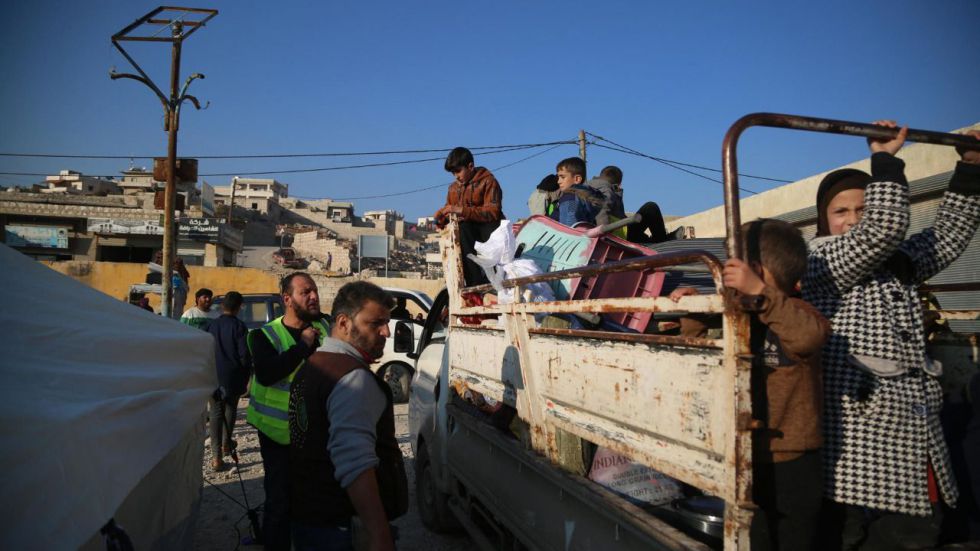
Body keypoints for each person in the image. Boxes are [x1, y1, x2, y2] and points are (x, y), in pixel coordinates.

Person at [802, 123, 980, 550]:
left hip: (912, 418)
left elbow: (948, 237)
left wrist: (970, 169)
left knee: (915, 528)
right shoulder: (822, 259)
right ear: (823, 221)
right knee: (852, 528)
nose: (853, 220)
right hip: (860, 428)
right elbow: (882, 230)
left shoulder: (894, 261)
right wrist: (885, 161)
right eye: (840, 212)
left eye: (862, 208)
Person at [671, 219, 829, 550]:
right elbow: (697, 355)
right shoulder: (742, 316)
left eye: (734, 268)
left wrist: (761, 293)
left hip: (792, 461)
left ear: (756, 271)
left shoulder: (796, 312)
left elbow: (808, 339)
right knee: (753, 538)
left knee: (793, 539)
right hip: (744, 454)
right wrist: (697, 310)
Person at [288, 282, 408, 551]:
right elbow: (355, 465)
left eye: (386, 323)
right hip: (341, 528)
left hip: (310, 519)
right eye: (375, 323)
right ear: (343, 323)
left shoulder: (312, 366)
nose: (386, 332)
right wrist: (379, 535)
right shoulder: (352, 378)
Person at [247, 272, 331, 551]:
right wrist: (303, 347)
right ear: (287, 299)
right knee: (279, 503)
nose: (313, 296)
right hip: (278, 436)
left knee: (315, 502)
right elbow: (268, 374)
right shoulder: (263, 335)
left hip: (318, 435)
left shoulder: (327, 326)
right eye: (305, 291)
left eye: (315, 290)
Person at [434, 146, 504, 286]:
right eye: (453, 173)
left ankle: (492, 277)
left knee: (469, 226)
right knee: (462, 228)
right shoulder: (453, 188)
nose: (456, 176)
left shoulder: (489, 181)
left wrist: (462, 211)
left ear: (470, 166)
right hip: (468, 237)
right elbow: (451, 211)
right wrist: (441, 219)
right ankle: (473, 282)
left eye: (458, 171)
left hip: (488, 233)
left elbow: (493, 212)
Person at [206, 291, 252, 471]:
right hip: (233, 376)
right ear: (239, 307)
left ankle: (216, 457)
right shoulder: (239, 327)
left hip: (213, 375)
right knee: (231, 408)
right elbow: (244, 355)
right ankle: (226, 444)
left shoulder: (211, 325)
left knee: (216, 412)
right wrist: (246, 374)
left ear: (223, 305)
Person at [549, 157, 604, 227]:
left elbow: (569, 223)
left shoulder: (569, 197)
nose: (558, 181)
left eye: (562, 177)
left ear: (577, 179)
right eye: (558, 177)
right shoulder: (586, 198)